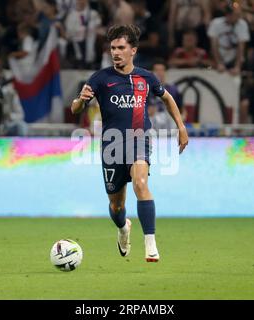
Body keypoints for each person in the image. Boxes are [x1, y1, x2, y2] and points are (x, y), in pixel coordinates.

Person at [70, 24, 188, 262]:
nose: (116, 52)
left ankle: (151, 245)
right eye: (113, 47)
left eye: (121, 47)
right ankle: (124, 227)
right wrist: (80, 101)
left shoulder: (146, 77)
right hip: (112, 145)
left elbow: (167, 98)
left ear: (132, 50)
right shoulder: (100, 78)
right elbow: (75, 109)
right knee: (116, 206)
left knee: (141, 183)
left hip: (139, 139)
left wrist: (181, 126)